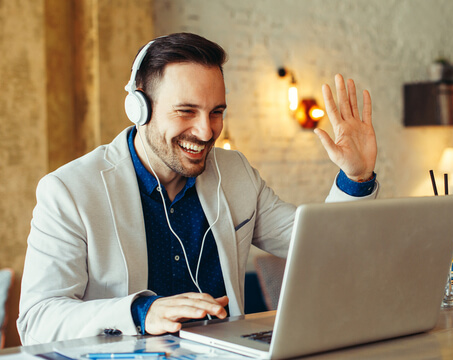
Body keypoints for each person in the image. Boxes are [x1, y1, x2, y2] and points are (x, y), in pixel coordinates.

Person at [17, 32, 378, 345]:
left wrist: (356, 176)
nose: (206, 132)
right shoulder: (68, 191)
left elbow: (321, 246)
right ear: (139, 108)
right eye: (186, 111)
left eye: (216, 112)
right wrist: (142, 312)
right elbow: (38, 320)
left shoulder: (236, 173)